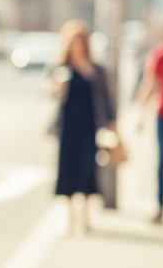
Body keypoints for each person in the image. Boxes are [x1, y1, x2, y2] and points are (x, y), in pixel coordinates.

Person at [45, 19, 115, 235]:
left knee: (87, 171)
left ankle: (85, 218)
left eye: (80, 41)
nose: (76, 45)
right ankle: (69, 219)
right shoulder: (60, 67)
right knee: (67, 171)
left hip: (89, 126)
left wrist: (112, 122)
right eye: (72, 41)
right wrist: (56, 87)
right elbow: (47, 92)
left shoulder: (95, 69)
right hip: (67, 126)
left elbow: (105, 97)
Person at [135, 15, 163, 224]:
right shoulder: (160, 55)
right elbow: (149, 84)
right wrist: (140, 114)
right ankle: (160, 207)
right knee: (160, 162)